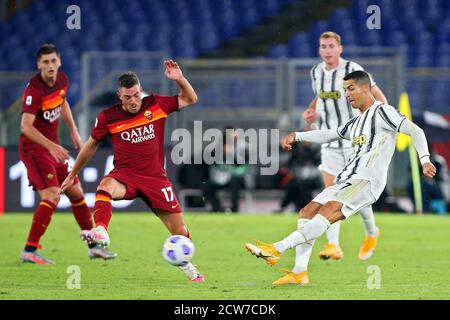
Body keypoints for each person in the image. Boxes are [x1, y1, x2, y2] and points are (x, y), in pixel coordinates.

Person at [245, 70, 436, 285]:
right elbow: (329, 134)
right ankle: (299, 273)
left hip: (367, 181)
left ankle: (276, 248)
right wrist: (297, 135)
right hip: (346, 180)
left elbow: (416, 130)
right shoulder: (356, 122)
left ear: (366, 88)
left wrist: (425, 159)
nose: (347, 94)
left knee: (327, 212)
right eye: (345, 90)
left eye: (351, 88)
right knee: (307, 211)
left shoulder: (383, 112)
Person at [61, 62, 204, 282]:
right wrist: (72, 174)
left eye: (136, 94)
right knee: (104, 186)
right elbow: (90, 146)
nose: (134, 101)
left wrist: (179, 79)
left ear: (140, 89)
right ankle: (101, 230)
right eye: (128, 97)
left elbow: (190, 99)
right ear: (119, 95)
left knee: (182, 233)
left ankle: (188, 266)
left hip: (156, 178)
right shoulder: (108, 117)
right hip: (125, 175)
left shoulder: (155, 104)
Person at [19, 43, 116, 265]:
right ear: (38, 65)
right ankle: (29, 250)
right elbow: (25, 126)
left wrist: (73, 130)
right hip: (34, 149)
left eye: (53, 61)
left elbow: (62, 103)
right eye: (45, 62)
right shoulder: (34, 90)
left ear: (59, 62)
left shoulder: (62, 80)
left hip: (53, 147)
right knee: (52, 195)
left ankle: (93, 246)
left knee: (75, 191)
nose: (50, 66)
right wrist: (51, 146)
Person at [301, 31, 388, 261]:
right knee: (332, 193)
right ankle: (333, 245)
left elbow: (379, 98)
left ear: (340, 48)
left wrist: (378, 125)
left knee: (354, 195)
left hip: (355, 142)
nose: (327, 51)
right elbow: (320, 96)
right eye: (322, 47)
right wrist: (311, 111)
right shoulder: (316, 72)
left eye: (331, 46)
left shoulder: (353, 70)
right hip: (330, 143)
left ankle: (371, 232)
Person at [202, 126, 250, 213]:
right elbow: (212, 160)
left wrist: (231, 153)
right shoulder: (220, 146)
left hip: (238, 177)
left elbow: (242, 163)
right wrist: (221, 151)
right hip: (223, 177)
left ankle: (234, 210)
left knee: (235, 181)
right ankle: (217, 209)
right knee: (207, 186)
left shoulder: (243, 146)